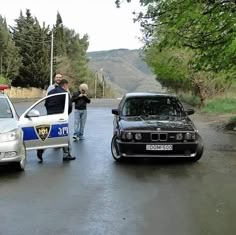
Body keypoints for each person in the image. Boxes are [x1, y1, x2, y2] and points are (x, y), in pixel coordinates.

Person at [37, 79, 76, 162]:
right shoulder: (65, 93)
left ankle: (41, 149)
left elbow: (46, 103)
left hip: (50, 115)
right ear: (65, 85)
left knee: (49, 134)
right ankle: (66, 154)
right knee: (64, 134)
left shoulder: (51, 92)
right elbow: (69, 106)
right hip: (60, 116)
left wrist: (50, 112)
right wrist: (66, 114)